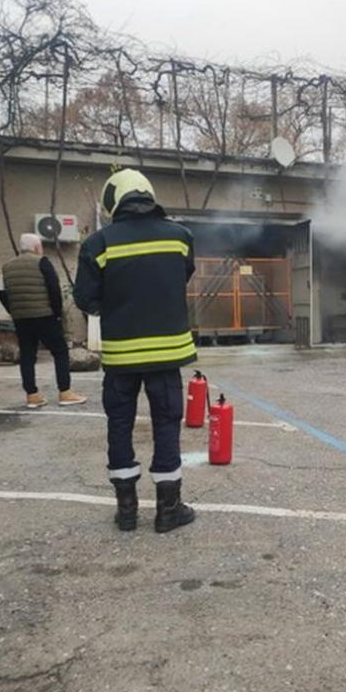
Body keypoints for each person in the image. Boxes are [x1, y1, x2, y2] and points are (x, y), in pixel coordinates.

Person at [73, 169, 197, 534]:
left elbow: (85, 299)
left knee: (120, 425)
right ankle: (168, 511)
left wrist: (117, 303)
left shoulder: (98, 244)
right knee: (166, 426)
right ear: (148, 193)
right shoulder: (181, 237)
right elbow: (181, 277)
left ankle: (126, 512)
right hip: (167, 354)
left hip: (121, 357)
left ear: (114, 201)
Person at [0, 233, 86, 409]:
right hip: (44, 316)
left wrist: (14, 311)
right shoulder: (42, 262)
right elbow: (53, 289)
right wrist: (57, 313)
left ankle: (32, 395)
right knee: (60, 351)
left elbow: (4, 294)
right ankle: (65, 392)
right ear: (37, 247)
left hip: (21, 318)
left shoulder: (7, 267)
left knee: (28, 355)